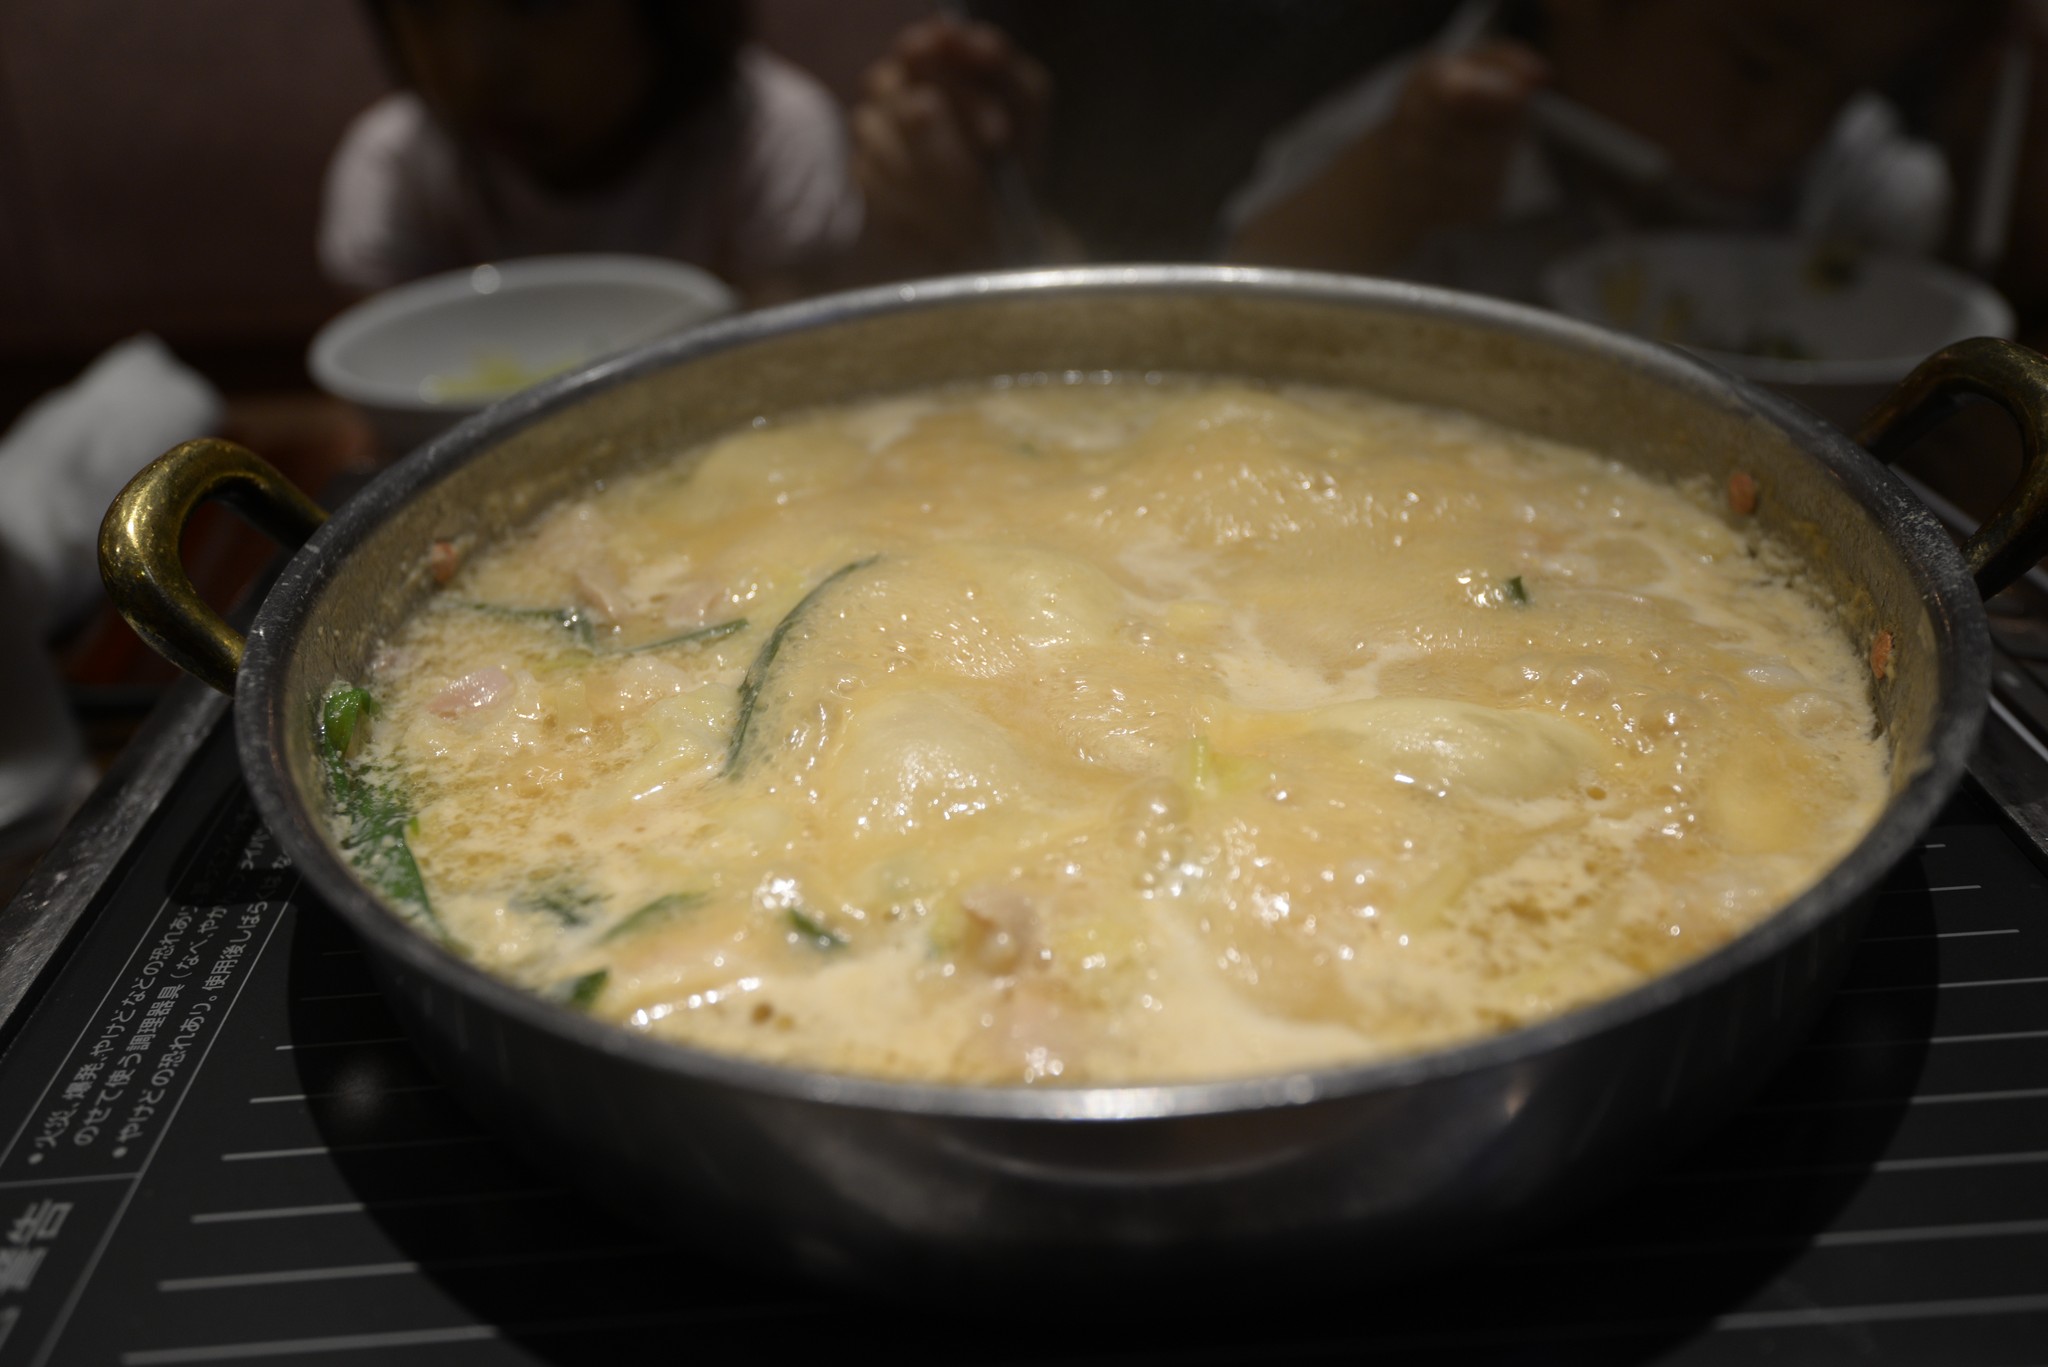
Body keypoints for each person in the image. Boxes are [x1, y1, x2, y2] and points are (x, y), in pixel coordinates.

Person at [1224, 0, 2042, 314]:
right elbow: (1235, 292)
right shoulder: (1436, 123)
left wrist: (1993, 147)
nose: (1786, 131)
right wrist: (1386, 194)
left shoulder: (1843, 165)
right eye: (1758, 64)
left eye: (1847, 87)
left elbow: (1948, 286)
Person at [320, 3, 1055, 304]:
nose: (478, 64)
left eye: (535, 5)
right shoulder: (391, 171)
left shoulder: (770, 137)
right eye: (428, 12)